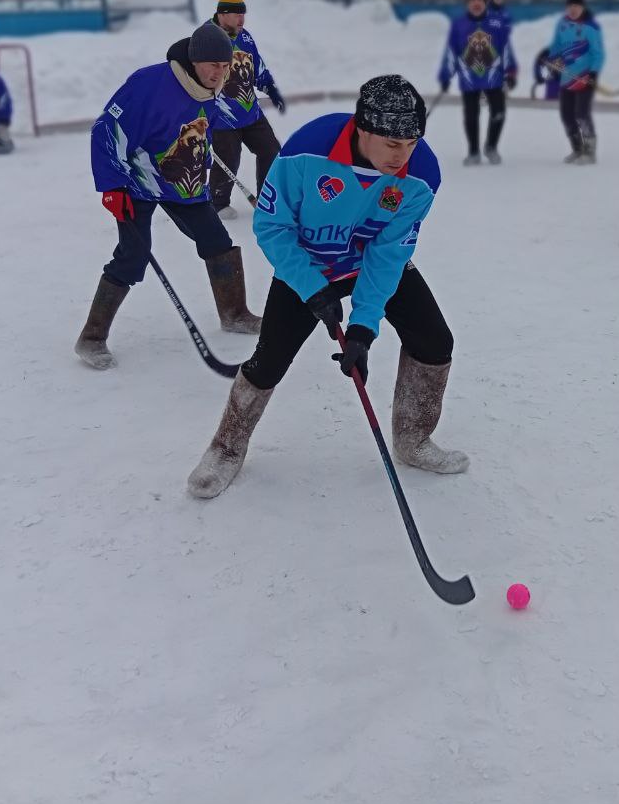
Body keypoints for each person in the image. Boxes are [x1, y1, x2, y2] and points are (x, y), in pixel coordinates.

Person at [187, 74, 468, 499]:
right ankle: (226, 448)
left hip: (364, 262)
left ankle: (413, 440)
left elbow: (388, 252)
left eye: (411, 144)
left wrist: (363, 327)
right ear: (362, 129)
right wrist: (312, 288)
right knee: (269, 361)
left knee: (435, 341)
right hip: (306, 263)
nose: (403, 156)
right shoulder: (306, 152)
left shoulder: (420, 176)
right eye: (393, 144)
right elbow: (272, 226)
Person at [75, 21, 263, 371]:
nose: (219, 74)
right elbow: (106, 129)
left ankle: (235, 313)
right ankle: (92, 337)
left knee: (217, 242)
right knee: (133, 255)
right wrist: (112, 186)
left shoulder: (211, 87)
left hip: (181, 184)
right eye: (213, 66)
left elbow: (198, 125)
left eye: (225, 67)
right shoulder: (149, 85)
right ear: (194, 61)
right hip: (135, 183)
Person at [207, 0, 286, 219]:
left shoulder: (245, 37)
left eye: (243, 14)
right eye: (235, 14)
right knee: (229, 157)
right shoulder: (207, 38)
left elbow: (256, 67)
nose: (241, 19)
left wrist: (271, 88)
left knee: (270, 148)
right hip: (221, 114)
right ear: (222, 15)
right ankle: (218, 202)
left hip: (250, 110)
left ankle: (266, 197)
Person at [438, 0, 517, 166]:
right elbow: (451, 51)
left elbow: (506, 49)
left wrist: (510, 71)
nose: (476, 4)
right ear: (468, 4)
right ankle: (473, 151)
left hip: (493, 77)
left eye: (479, 1)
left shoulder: (496, 23)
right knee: (471, 116)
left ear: (485, 4)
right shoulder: (459, 25)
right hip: (469, 79)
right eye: (472, 1)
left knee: (499, 112)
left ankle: (491, 146)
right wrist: (445, 75)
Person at [545, 0, 604, 164]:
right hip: (566, 78)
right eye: (570, 6)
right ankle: (577, 148)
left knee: (582, 114)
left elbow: (598, 54)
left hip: (585, 78)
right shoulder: (562, 24)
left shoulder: (591, 27)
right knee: (566, 115)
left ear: (582, 7)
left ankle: (590, 151)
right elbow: (556, 46)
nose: (573, 9)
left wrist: (593, 73)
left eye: (576, 6)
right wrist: (552, 62)